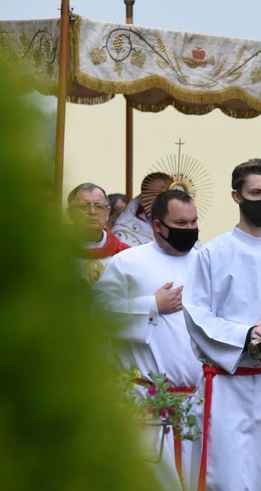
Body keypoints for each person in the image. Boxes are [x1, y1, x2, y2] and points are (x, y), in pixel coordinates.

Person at [182, 158, 261, 491]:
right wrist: (245, 334)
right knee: (225, 477)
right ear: (237, 196)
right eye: (256, 192)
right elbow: (196, 314)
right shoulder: (212, 254)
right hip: (227, 387)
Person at [92, 189, 201, 490]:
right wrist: (151, 305)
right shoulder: (127, 263)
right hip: (147, 401)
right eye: (181, 224)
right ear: (157, 226)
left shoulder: (207, 263)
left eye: (194, 223)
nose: (190, 230)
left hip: (197, 400)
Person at [66, 182, 130, 287]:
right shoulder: (53, 251)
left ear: (107, 212)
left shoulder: (125, 254)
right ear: (70, 213)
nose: (92, 212)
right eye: (84, 206)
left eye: (98, 206)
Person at [113, 172, 174, 247]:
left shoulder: (187, 224)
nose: (167, 201)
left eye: (172, 195)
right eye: (157, 194)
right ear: (142, 199)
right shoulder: (124, 232)